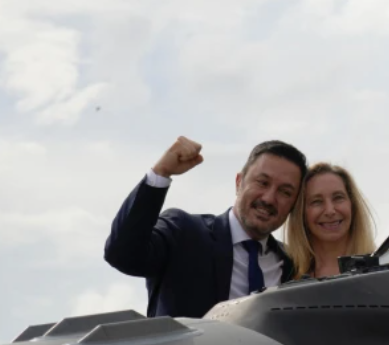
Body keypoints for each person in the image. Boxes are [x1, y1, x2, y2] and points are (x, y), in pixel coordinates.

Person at [105, 136, 307, 318]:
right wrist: (161, 173)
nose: (269, 198)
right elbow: (122, 254)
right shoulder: (183, 232)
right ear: (239, 182)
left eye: (285, 192)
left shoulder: (294, 266)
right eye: (262, 182)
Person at [284, 162, 377, 279]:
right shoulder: (285, 279)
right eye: (317, 201)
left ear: (352, 205)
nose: (330, 211)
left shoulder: (385, 268)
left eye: (338, 198)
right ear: (301, 214)